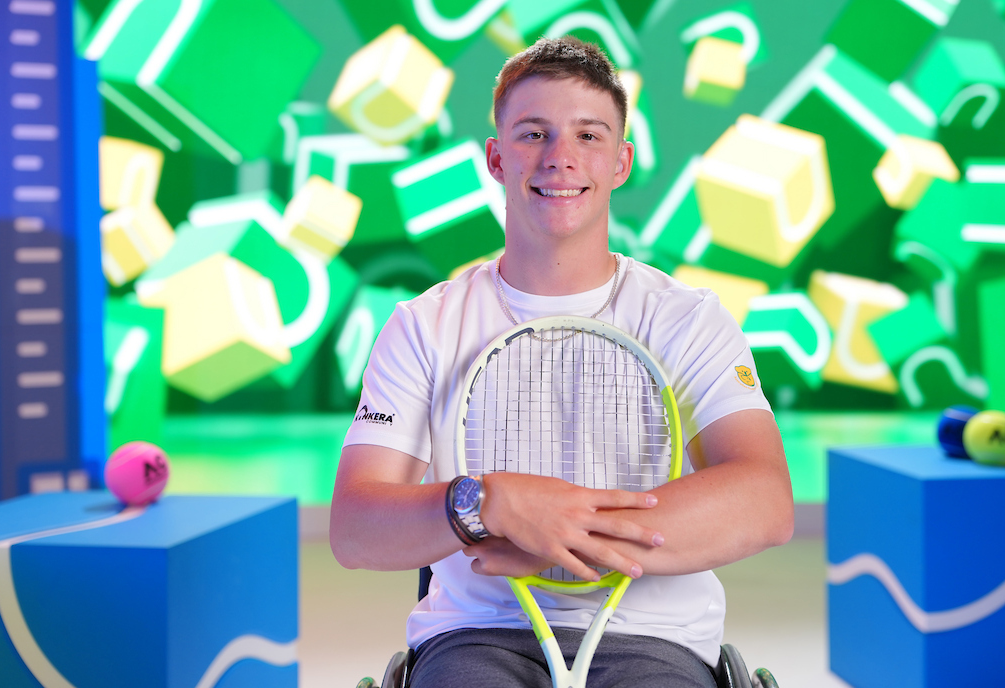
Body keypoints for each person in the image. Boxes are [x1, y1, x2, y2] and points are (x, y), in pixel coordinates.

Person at [331, 36, 794, 688]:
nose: (560, 158)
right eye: (532, 134)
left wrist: (547, 523)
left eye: (588, 136)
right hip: (474, 637)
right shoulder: (423, 325)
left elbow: (765, 502)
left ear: (621, 161)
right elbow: (354, 531)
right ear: (495, 157)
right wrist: (487, 503)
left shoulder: (689, 318)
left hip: (656, 640)